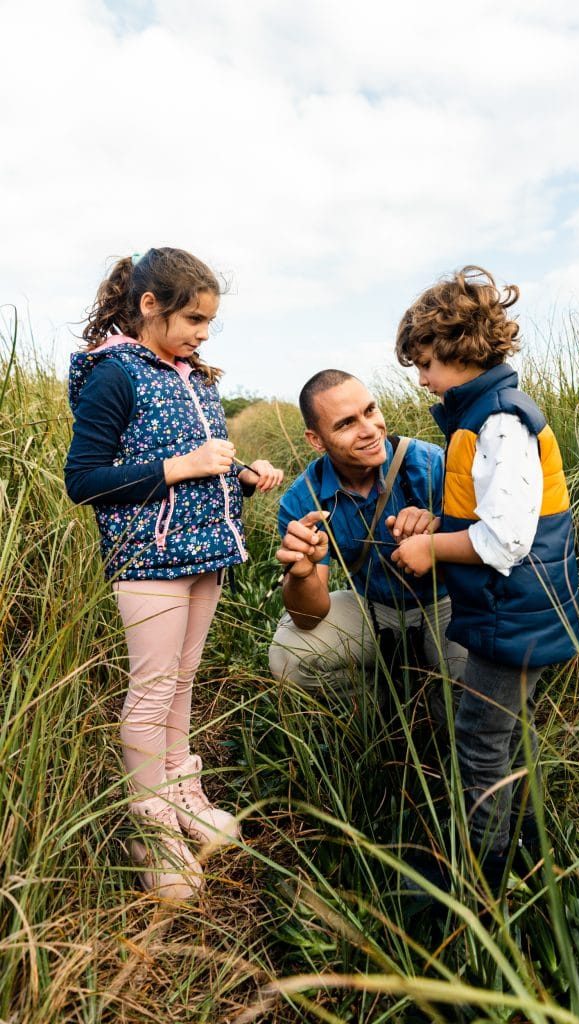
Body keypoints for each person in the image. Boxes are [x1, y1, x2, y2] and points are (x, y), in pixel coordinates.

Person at [65, 247, 283, 901]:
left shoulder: (193, 375)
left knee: (183, 682)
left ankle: (183, 796)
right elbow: (84, 480)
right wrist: (180, 466)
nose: (201, 333)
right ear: (149, 305)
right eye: (193, 318)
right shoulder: (114, 376)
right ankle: (150, 827)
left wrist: (241, 475)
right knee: (153, 690)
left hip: (204, 552)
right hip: (148, 559)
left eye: (209, 323)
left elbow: (203, 464)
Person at [391, 265, 579, 895]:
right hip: (510, 608)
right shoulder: (479, 417)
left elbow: (506, 538)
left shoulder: (502, 420)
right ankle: (525, 845)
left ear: (456, 348)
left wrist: (431, 548)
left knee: (478, 738)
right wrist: (437, 523)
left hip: (517, 610)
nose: (421, 379)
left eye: (424, 364)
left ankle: (481, 873)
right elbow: (486, 510)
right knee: (508, 734)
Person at [268, 368, 467, 709]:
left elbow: (488, 559)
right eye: (346, 424)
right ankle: (384, 707)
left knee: (474, 677)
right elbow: (308, 618)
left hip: (446, 603)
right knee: (289, 658)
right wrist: (301, 575)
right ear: (316, 440)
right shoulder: (302, 501)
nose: (369, 430)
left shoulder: (433, 465)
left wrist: (437, 532)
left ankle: (439, 704)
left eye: (370, 411)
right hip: (372, 606)